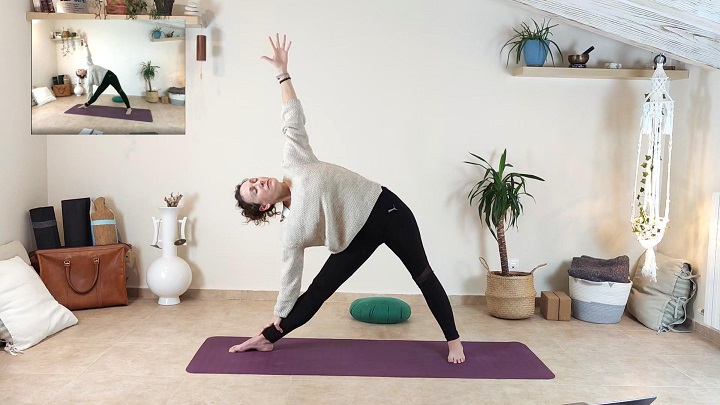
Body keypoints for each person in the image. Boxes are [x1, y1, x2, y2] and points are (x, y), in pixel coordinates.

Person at [230, 34, 465, 363]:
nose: (259, 182)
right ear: (264, 206)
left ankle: (454, 340)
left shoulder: (295, 162)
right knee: (319, 289)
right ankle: (265, 339)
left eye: (254, 180)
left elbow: (292, 118)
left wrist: (282, 73)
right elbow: (290, 275)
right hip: (355, 235)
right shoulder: (291, 230)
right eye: (254, 190)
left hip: (387, 210)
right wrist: (277, 316)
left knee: (422, 274)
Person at [78, 36, 132, 116]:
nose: (80, 69)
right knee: (96, 94)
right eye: (78, 71)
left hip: (109, 75)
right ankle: (86, 105)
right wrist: (87, 103)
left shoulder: (89, 65)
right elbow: (90, 92)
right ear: (81, 75)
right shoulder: (88, 81)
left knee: (120, 91)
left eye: (79, 69)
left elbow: (88, 55)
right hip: (103, 82)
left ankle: (129, 108)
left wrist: (86, 44)